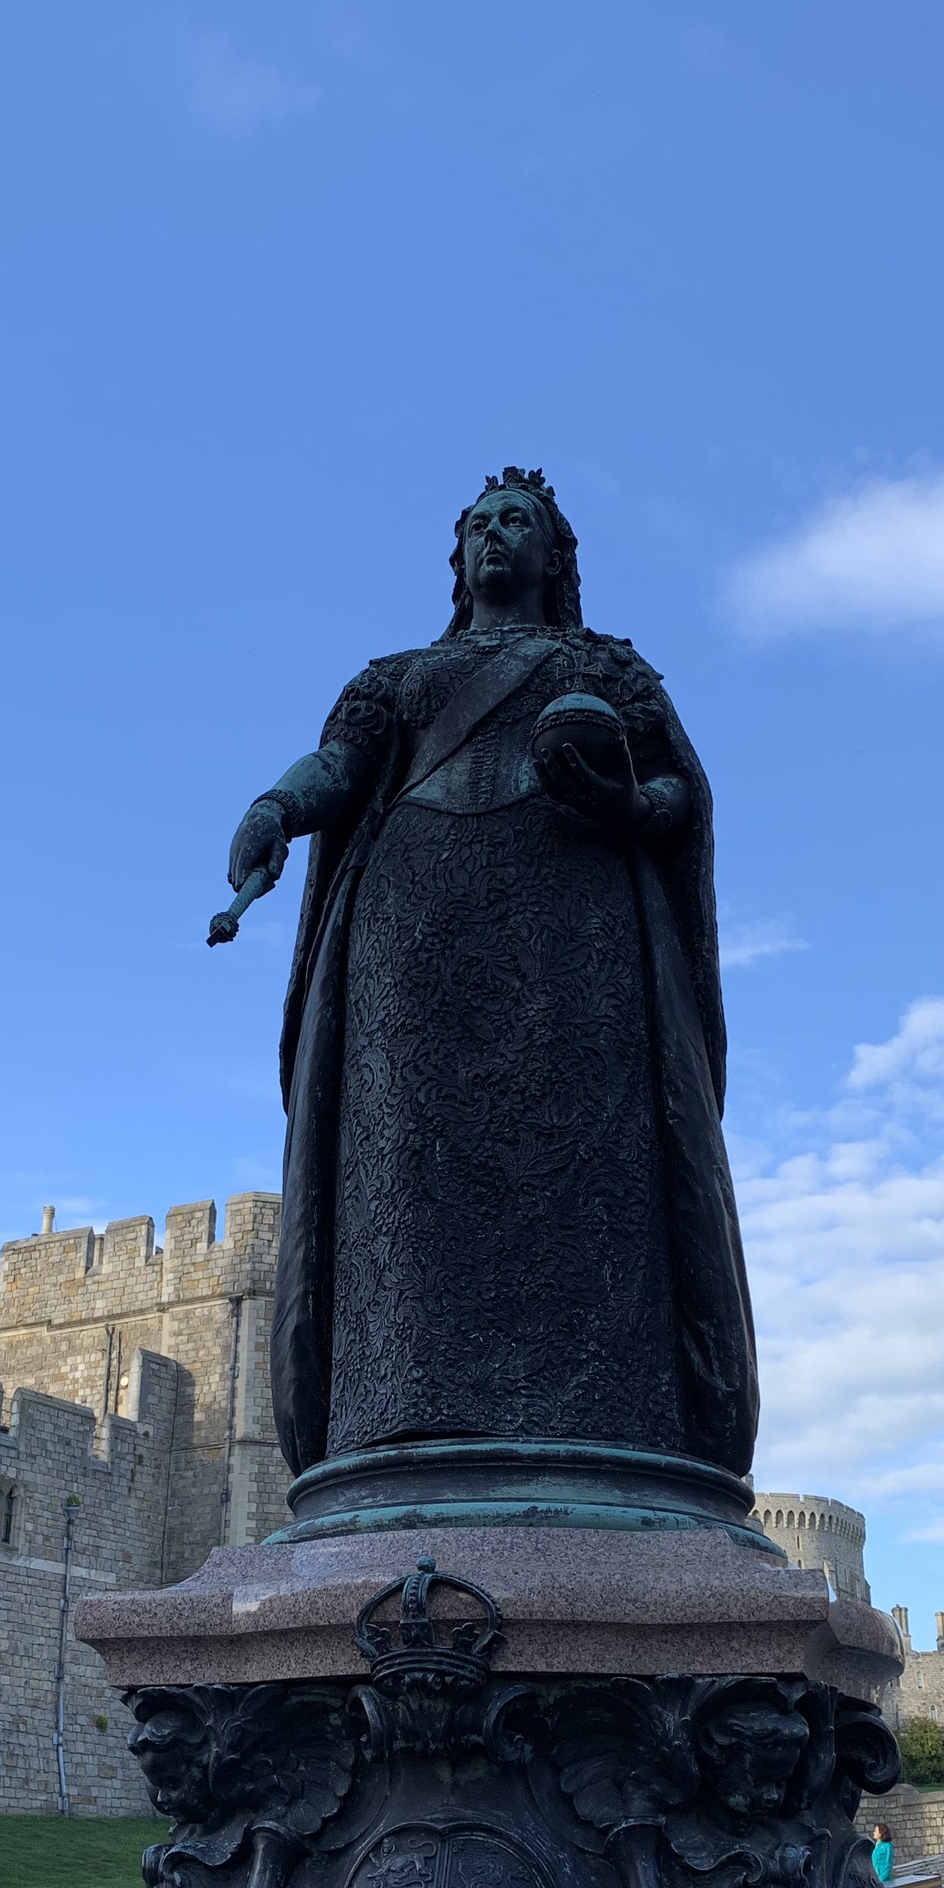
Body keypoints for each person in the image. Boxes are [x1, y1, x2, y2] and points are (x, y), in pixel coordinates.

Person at [225, 468, 759, 1497]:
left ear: (556, 556)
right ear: (458, 556)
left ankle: (612, 1421)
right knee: (407, 1181)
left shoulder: (608, 669)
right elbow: (338, 766)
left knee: (591, 1171)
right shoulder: (398, 675)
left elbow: (677, 795)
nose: (495, 538)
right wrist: (273, 809)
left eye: (518, 523)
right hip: (412, 943)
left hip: (577, 941)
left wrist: (617, 800)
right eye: (478, 527)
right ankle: (398, 1417)